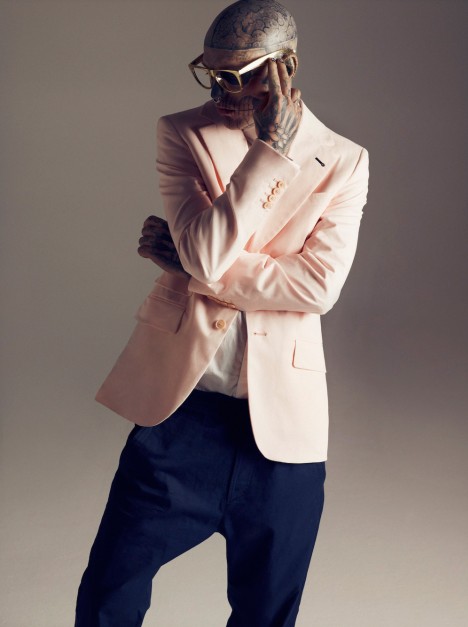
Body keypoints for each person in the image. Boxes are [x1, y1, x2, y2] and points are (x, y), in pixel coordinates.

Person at [75, 0, 369, 625]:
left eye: (239, 75)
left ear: (287, 67)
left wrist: (190, 272)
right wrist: (270, 153)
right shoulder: (182, 132)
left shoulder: (345, 161)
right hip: (183, 418)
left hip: (284, 436)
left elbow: (317, 288)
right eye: (211, 74)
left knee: (267, 615)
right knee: (108, 597)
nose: (220, 91)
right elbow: (210, 253)